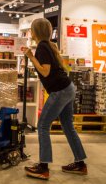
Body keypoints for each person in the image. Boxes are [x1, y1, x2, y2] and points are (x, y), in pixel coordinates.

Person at [23, 18, 87, 180]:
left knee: (43, 125)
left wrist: (31, 56)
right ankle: (80, 164)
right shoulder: (48, 46)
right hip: (68, 88)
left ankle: (43, 167)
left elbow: (45, 71)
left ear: (35, 32)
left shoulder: (42, 47)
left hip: (60, 91)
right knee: (68, 126)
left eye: (31, 29)